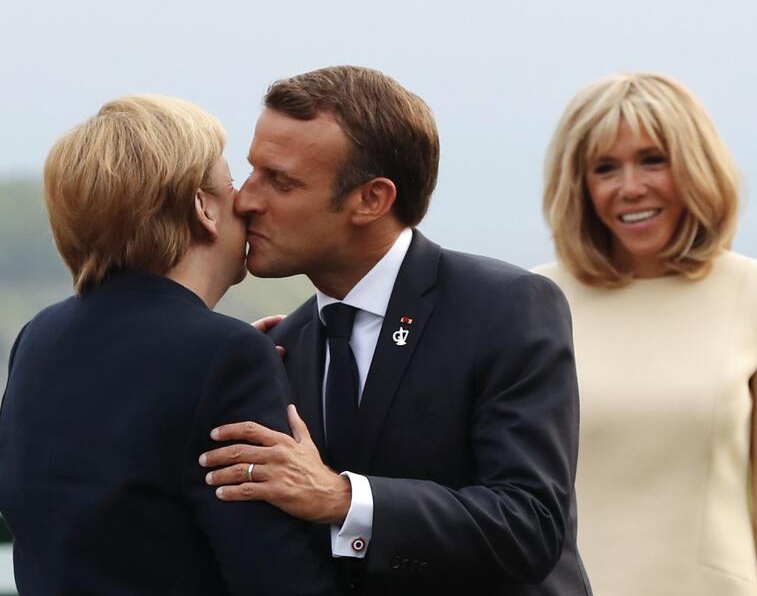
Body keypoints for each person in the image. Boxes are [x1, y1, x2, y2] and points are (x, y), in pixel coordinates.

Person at [199, 65, 592, 595]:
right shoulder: (275, 350)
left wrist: (343, 499)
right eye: (252, 172)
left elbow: (529, 524)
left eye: (281, 181)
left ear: (371, 200)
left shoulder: (509, 306)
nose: (246, 200)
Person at [0, 95, 334, 595]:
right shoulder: (227, 355)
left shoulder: (40, 336)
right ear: (203, 207)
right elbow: (277, 576)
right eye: (231, 184)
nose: (245, 200)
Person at [532, 72, 757, 596]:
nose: (631, 187)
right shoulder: (536, 299)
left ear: (695, 165)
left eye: (653, 159)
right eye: (605, 167)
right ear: (579, 184)